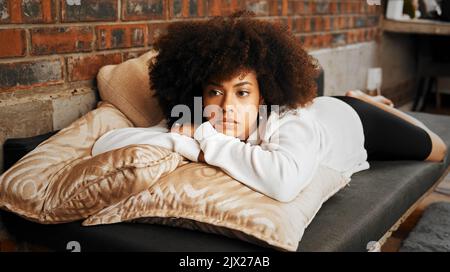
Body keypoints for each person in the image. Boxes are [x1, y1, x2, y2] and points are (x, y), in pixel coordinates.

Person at [91, 10, 447, 202]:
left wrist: (203, 146)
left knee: (437, 149)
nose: (227, 106)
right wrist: (178, 139)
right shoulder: (200, 118)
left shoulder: (291, 123)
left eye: (243, 93)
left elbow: (283, 182)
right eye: (217, 92)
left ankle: (364, 97)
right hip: (325, 112)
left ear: (264, 95)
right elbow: (105, 146)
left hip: (357, 122)